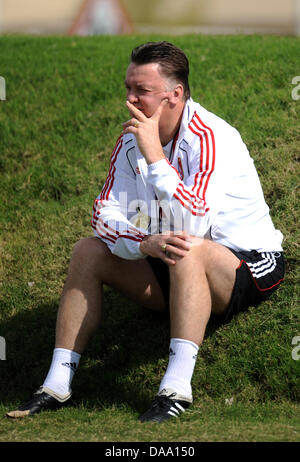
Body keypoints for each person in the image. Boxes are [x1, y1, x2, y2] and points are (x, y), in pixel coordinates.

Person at [7, 41, 284, 422]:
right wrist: (144, 241)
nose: (130, 100)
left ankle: (175, 389)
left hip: (246, 263)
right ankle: (56, 384)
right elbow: (104, 215)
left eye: (142, 91)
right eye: (128, 88)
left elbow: (195, 224)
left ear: (175, 95)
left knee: (187, 245)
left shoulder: (212, 136)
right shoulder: (128, 142)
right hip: (171, 261)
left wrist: (155, 157)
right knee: (87, 251)